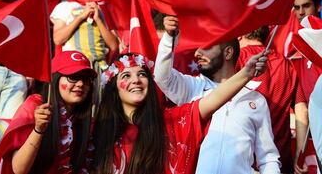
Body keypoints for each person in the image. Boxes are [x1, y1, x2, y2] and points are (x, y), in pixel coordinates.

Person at [93, 51, 268, 174]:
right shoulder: (98, 129)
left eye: (142, 74)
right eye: (126, 76)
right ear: (113, 88)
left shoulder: (171, 120)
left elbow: (212, 100)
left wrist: (246, 73)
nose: (136, 80)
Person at [153, 16, 280, 174]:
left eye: (206, 47)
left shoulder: (256, 100)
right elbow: (161, 77)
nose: (198, 52)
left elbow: (267, 157)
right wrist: (169, 38)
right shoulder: (192, 88)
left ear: (228, 53)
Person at [0, 50, 97, 174]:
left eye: (86, 79)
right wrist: (38, 130)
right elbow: (18, 169)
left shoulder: (86, 120)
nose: (80, 84)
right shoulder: (35, 106)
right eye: (73, 77)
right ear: (55, 80)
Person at [238, 26, 309, 174]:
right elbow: (301, 109)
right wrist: (299, 152)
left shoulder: (236, 60)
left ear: (240, 34)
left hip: (244, 161)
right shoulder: (286, 63)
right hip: (280, 161)